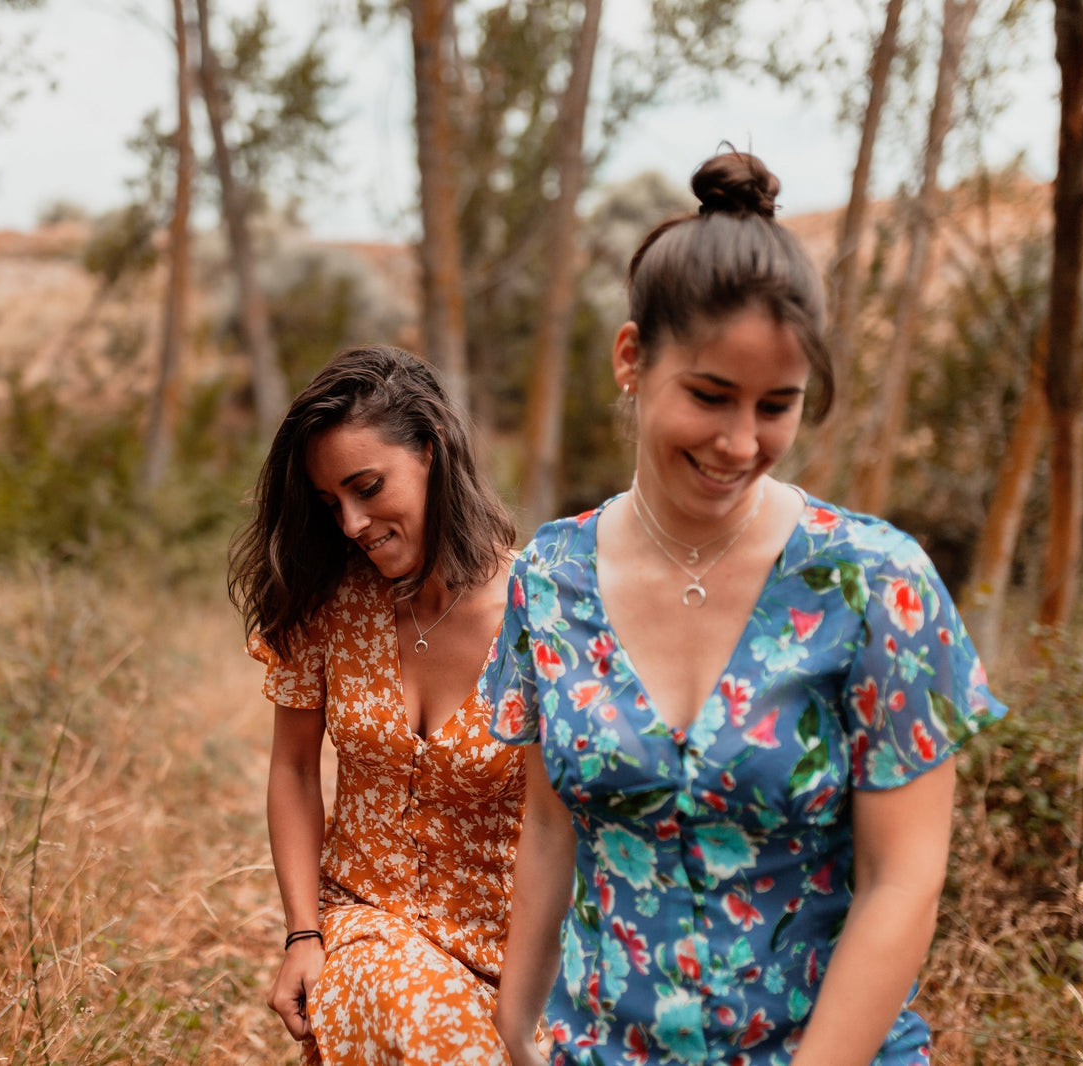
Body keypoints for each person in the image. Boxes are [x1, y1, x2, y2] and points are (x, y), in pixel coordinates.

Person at [481, 152, 1007, 1066]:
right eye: (711, 396)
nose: (739, 442)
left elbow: (904, 879)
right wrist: (517, 1025)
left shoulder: (875, 582)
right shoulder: (549, 580)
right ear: (632, 358)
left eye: (778, 406)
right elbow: (548, 824)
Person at [229, 344, 525, 1066]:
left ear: (431, 450)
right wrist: (304, 934)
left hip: (515, 955)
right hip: (363, 930)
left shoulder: (540, 614)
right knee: (432, 1029)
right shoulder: (327, 607)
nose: (352, 523)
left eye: (367, 487)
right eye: (332, 504)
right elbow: (295, 771)